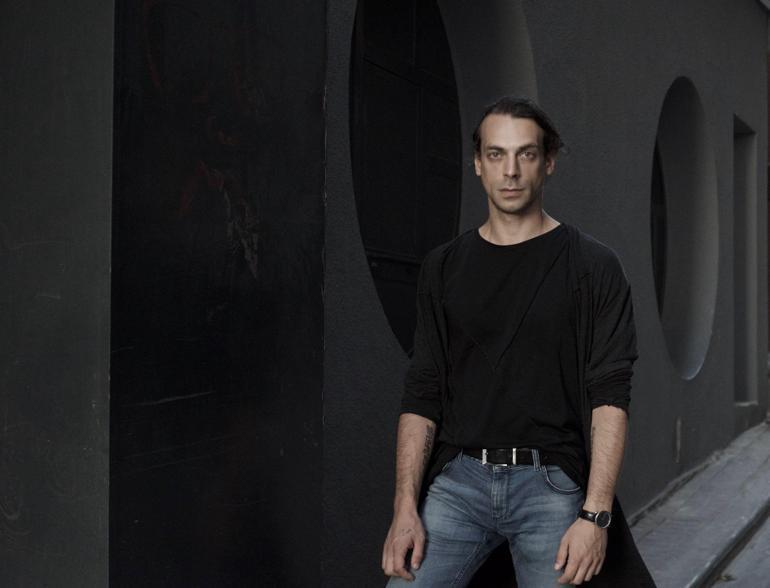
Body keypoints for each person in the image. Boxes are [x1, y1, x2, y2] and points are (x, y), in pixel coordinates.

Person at [381, 97, 655, 587]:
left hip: (549, 484)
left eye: (525, 154)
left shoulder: (593, 267)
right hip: (458, 485)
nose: (510, 171)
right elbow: (422, 391)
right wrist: (405, 507)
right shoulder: (442, 268)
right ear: (478, 164)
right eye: (496, 154)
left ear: (548, 162)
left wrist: (595, 516)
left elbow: (610, 396)